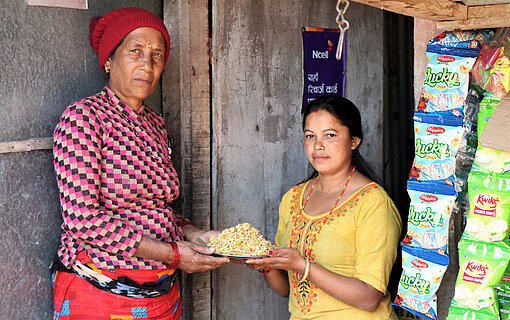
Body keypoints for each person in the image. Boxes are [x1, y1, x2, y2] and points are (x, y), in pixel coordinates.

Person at [51, 7, 229, 319]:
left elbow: (155, 207)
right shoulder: (83, 119)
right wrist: (172, 253)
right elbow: (83, 219)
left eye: (157, 55)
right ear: (109, 60)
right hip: (101, 291)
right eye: (135, 51)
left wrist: (195, 235)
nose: (147, 64)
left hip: (160, 290)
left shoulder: (155, 125)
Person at [245, 95, 402, 319]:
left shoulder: (372, 202)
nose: (318, 146)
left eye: (330, 135)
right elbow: (288, 289)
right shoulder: (293, 198)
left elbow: (370, 298)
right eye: (310, 136)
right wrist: (265, 265)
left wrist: (303, 265)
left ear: (354, 140)